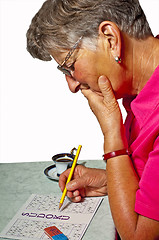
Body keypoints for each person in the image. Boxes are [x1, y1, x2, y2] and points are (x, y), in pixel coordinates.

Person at [26, 0, 159, 239]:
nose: (72, 85)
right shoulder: (144, 84)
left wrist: (112, 134)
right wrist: (111, 181)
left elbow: (140, 236)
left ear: (110, 39)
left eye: (69, 67)